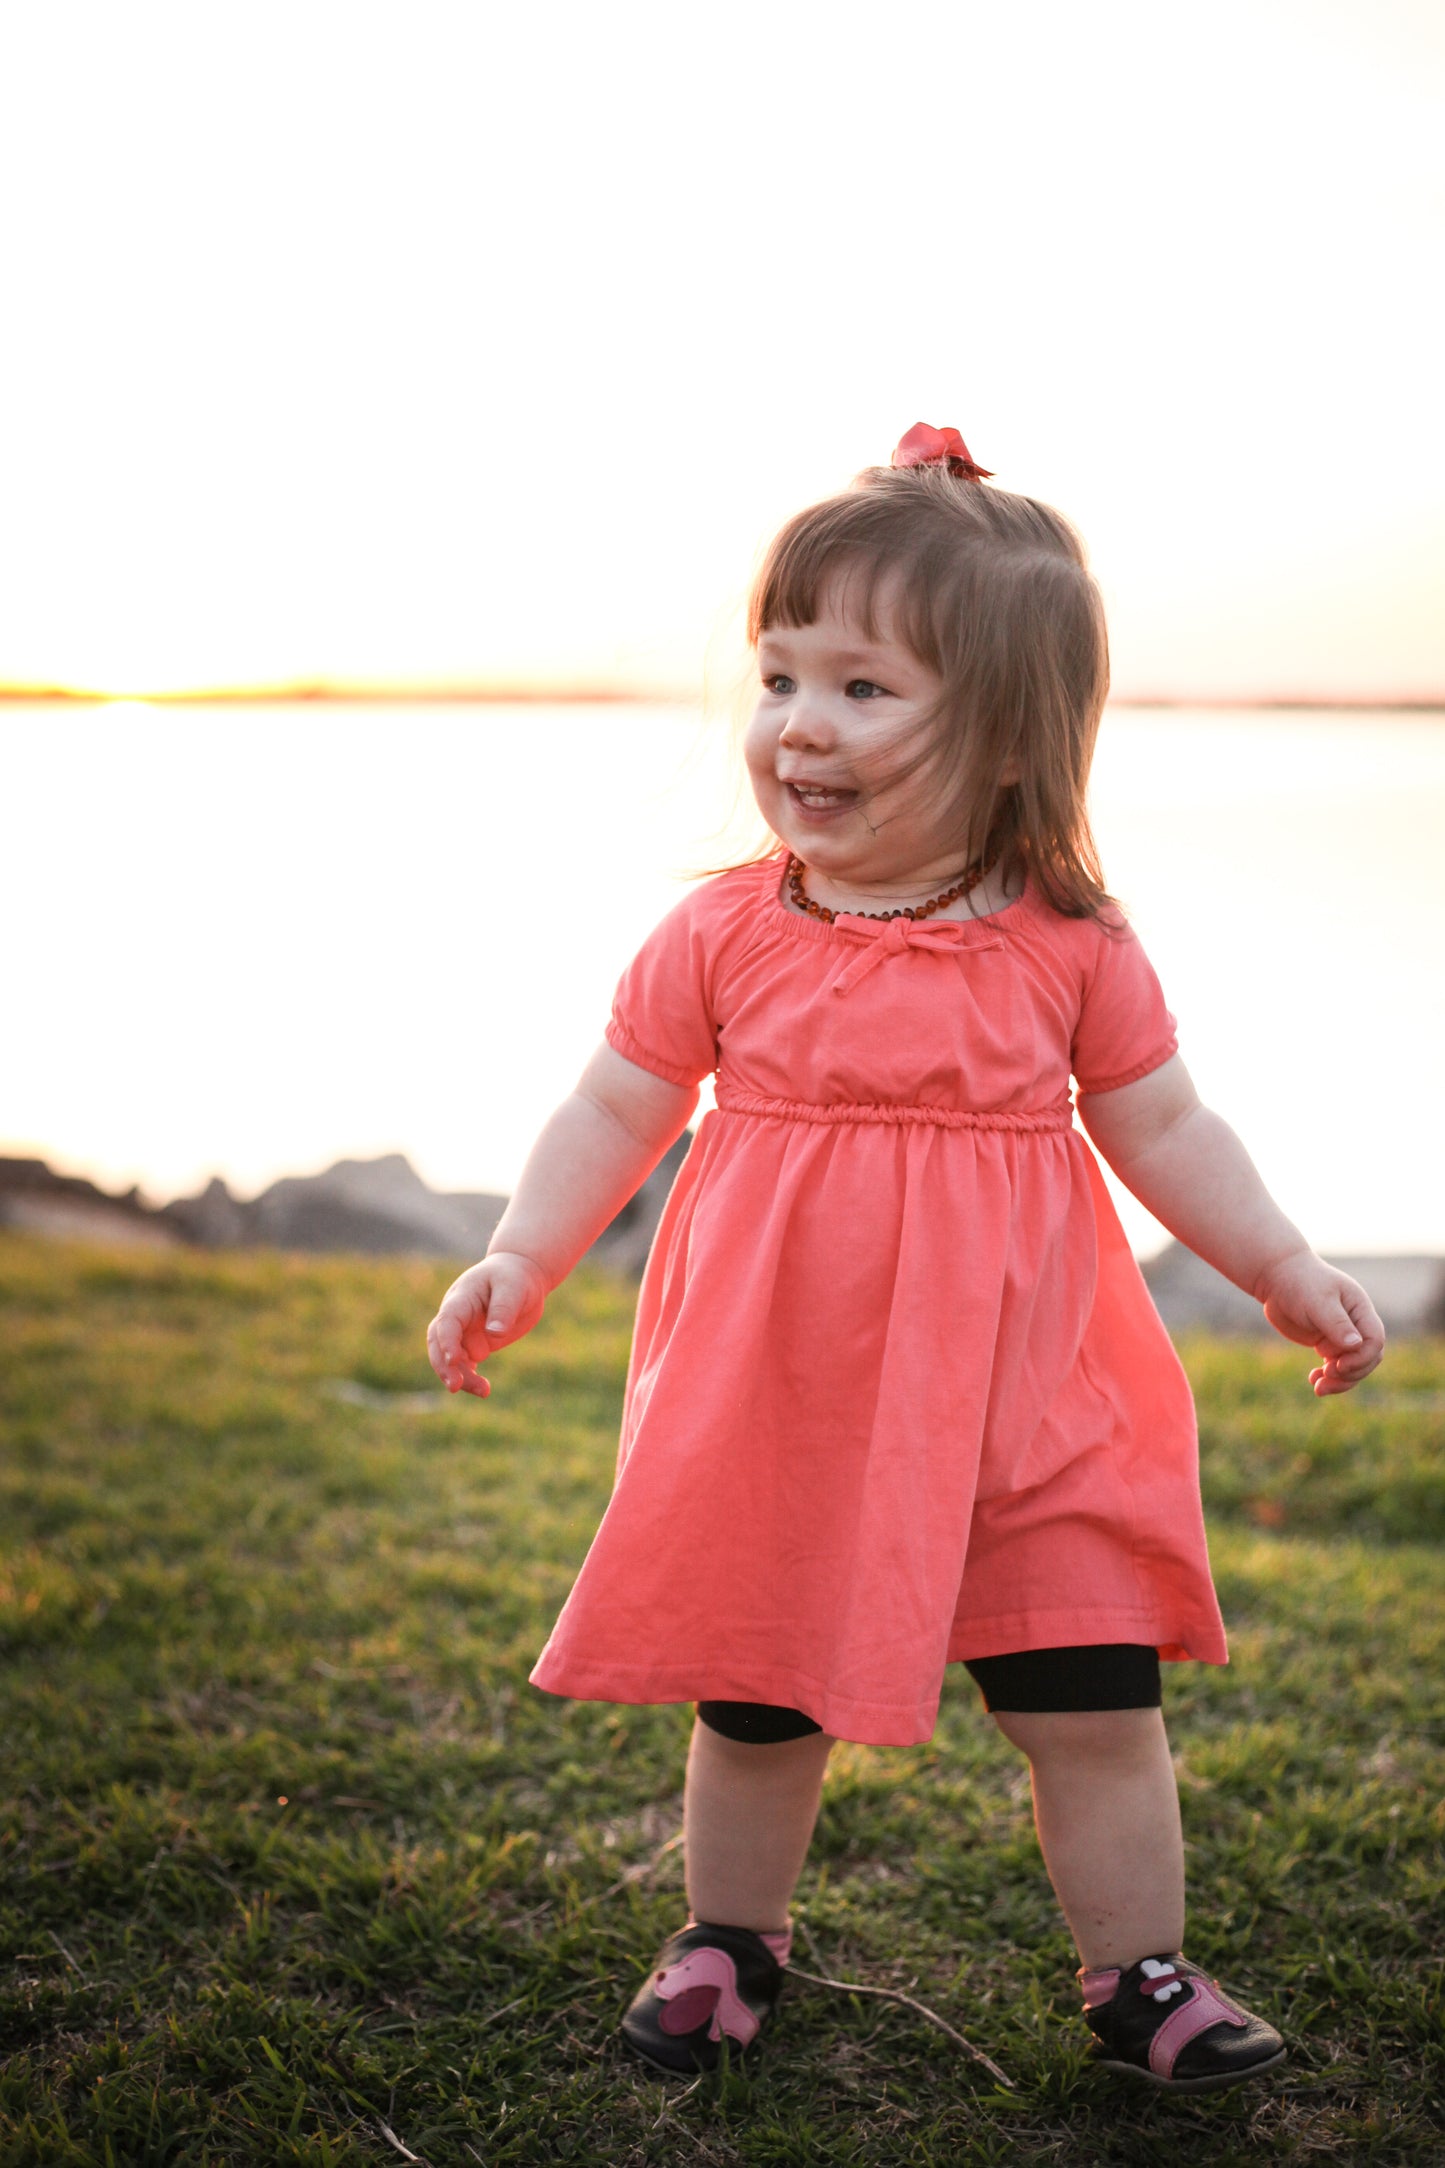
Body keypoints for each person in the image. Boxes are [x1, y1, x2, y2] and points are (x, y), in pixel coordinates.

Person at [426, 423, 1385, 2094]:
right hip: (782, 1395)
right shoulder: (723, 931)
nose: (800, 724)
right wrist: (521, 1251)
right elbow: (613, 1104)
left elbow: (1162, 1129)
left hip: (1032, 1394)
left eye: (862, 690)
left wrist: (1283, 1266)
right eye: (779, 675)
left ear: (1010, 741)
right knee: (758, 1696)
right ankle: (729, 1939)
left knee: (1087, 1694)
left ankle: (1137, 1974)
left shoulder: (1069, 948)